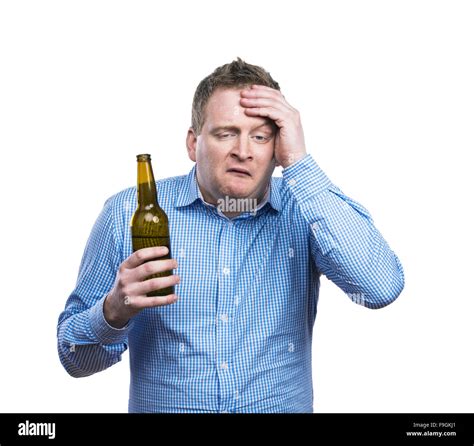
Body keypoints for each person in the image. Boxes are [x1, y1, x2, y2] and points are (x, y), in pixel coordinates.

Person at [57, 58, 404, 413]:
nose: (244, 150)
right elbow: (74, 359)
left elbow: (379, 288)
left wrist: (299, 161)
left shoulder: (307, 209)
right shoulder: (126, 213)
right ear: (193, 144)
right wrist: (112, 312)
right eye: (226, 133)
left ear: (278, 147)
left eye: (261, 137)